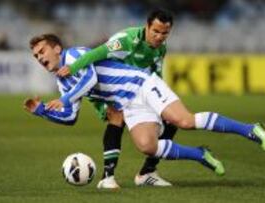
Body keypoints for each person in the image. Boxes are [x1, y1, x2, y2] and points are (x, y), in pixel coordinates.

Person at [24, 34, 265, 187]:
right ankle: (199, 154)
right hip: (128, 103)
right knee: (147, 146)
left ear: (56, 48)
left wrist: (65, 98)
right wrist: (42, 110)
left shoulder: (74, 54)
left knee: (183, 120)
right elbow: (70, 117)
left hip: (141, 84)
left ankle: (249, 129)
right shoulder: (61, 81)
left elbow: (89, 78)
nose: (40, 57)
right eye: (36, 56)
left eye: (42, 51)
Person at [55, 9, 178, 188]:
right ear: (147, 27)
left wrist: (163, 100)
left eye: (164, 33)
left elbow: (157, 74)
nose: (160, 36)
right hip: (106, 88)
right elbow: (96, 54)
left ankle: (147, 172)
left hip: (134, 89)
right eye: (156, 31)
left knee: (171, 120)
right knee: (116, 116)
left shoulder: (160, 49)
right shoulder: (126, 40)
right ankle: (107, 177)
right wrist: (73, 68)